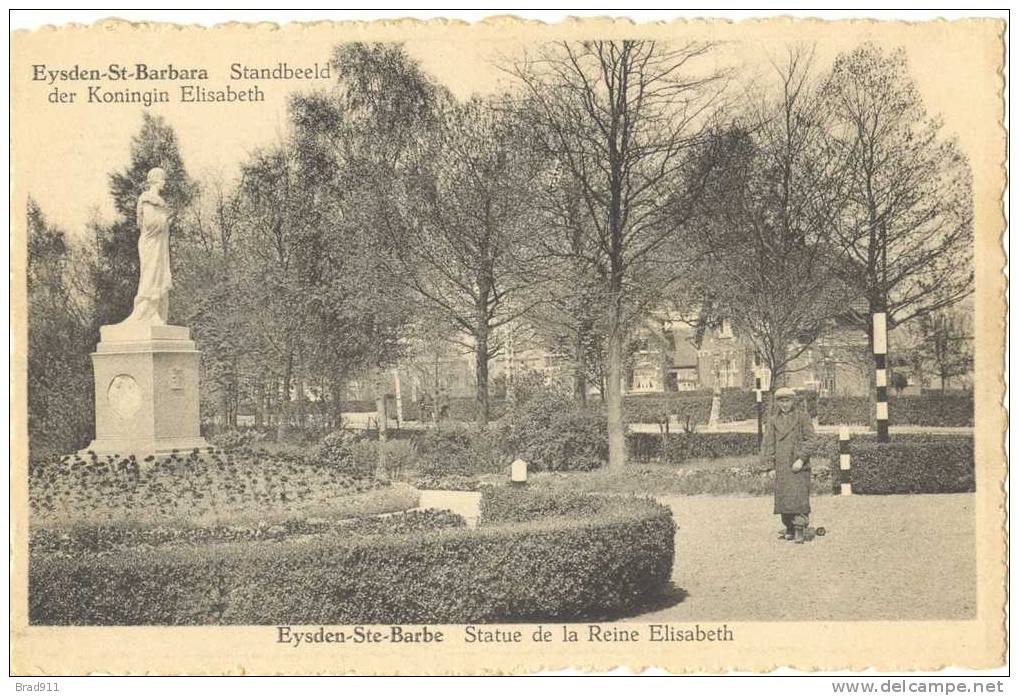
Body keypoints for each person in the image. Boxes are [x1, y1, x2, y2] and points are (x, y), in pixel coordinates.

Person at [762, 387, 816, 543]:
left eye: (788, 400)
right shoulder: (773, 421)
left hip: (798, 464)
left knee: (798, 496)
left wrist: (801, 459)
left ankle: (800, 528)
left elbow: (811, 440)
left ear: (794, 401)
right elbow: (768, 443)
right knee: (784, 498)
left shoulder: (803, 418)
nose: (785, 404)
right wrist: (770, 466)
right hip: (781, 464)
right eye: (781, 401)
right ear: (777, 402)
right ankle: (789, 527)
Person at [120, 167, 172, 325]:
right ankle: (146, 310)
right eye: (162, 179)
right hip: (150, 243)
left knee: (157, 275)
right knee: (150, 275)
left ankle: (155, 311)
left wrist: (167, 221)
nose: (164, 182)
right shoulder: (148, 198)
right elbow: (150, 224)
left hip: (158, 244)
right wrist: (165, 219)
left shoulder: (158, 201)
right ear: (156, 180)